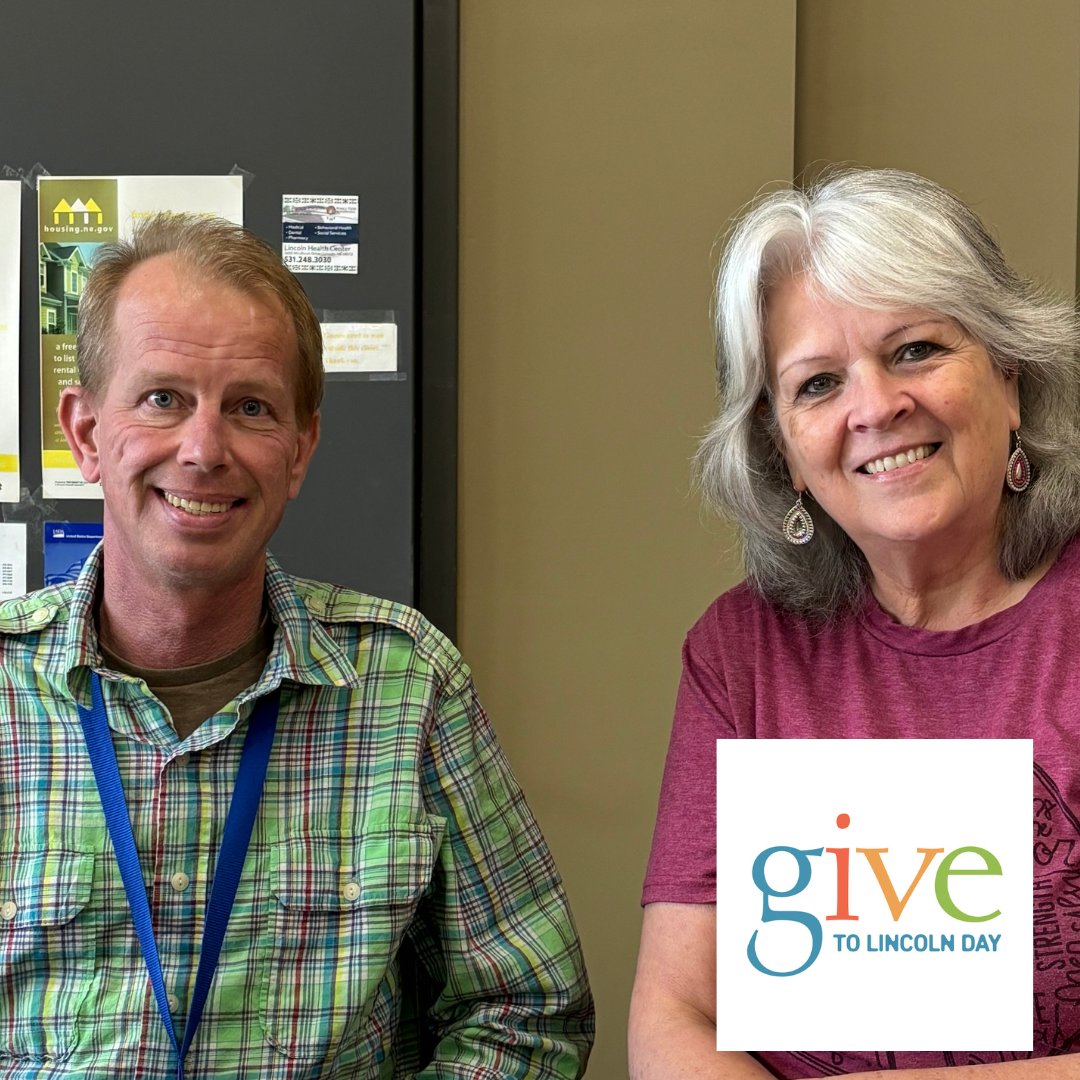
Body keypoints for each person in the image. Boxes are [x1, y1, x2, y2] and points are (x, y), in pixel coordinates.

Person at [0, 213, 593, 1078]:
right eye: (163, 397)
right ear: (87, 433)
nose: (203, 449)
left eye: (250, 408)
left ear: (300, 450)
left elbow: (528, 1011)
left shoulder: (405, 684)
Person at [627, 168, 1080, 1077]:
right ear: (785, 453)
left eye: (914, 350)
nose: (874, 409)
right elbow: (677, 1014)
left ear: (1011, 382)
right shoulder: (740, 652)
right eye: (818, 384)